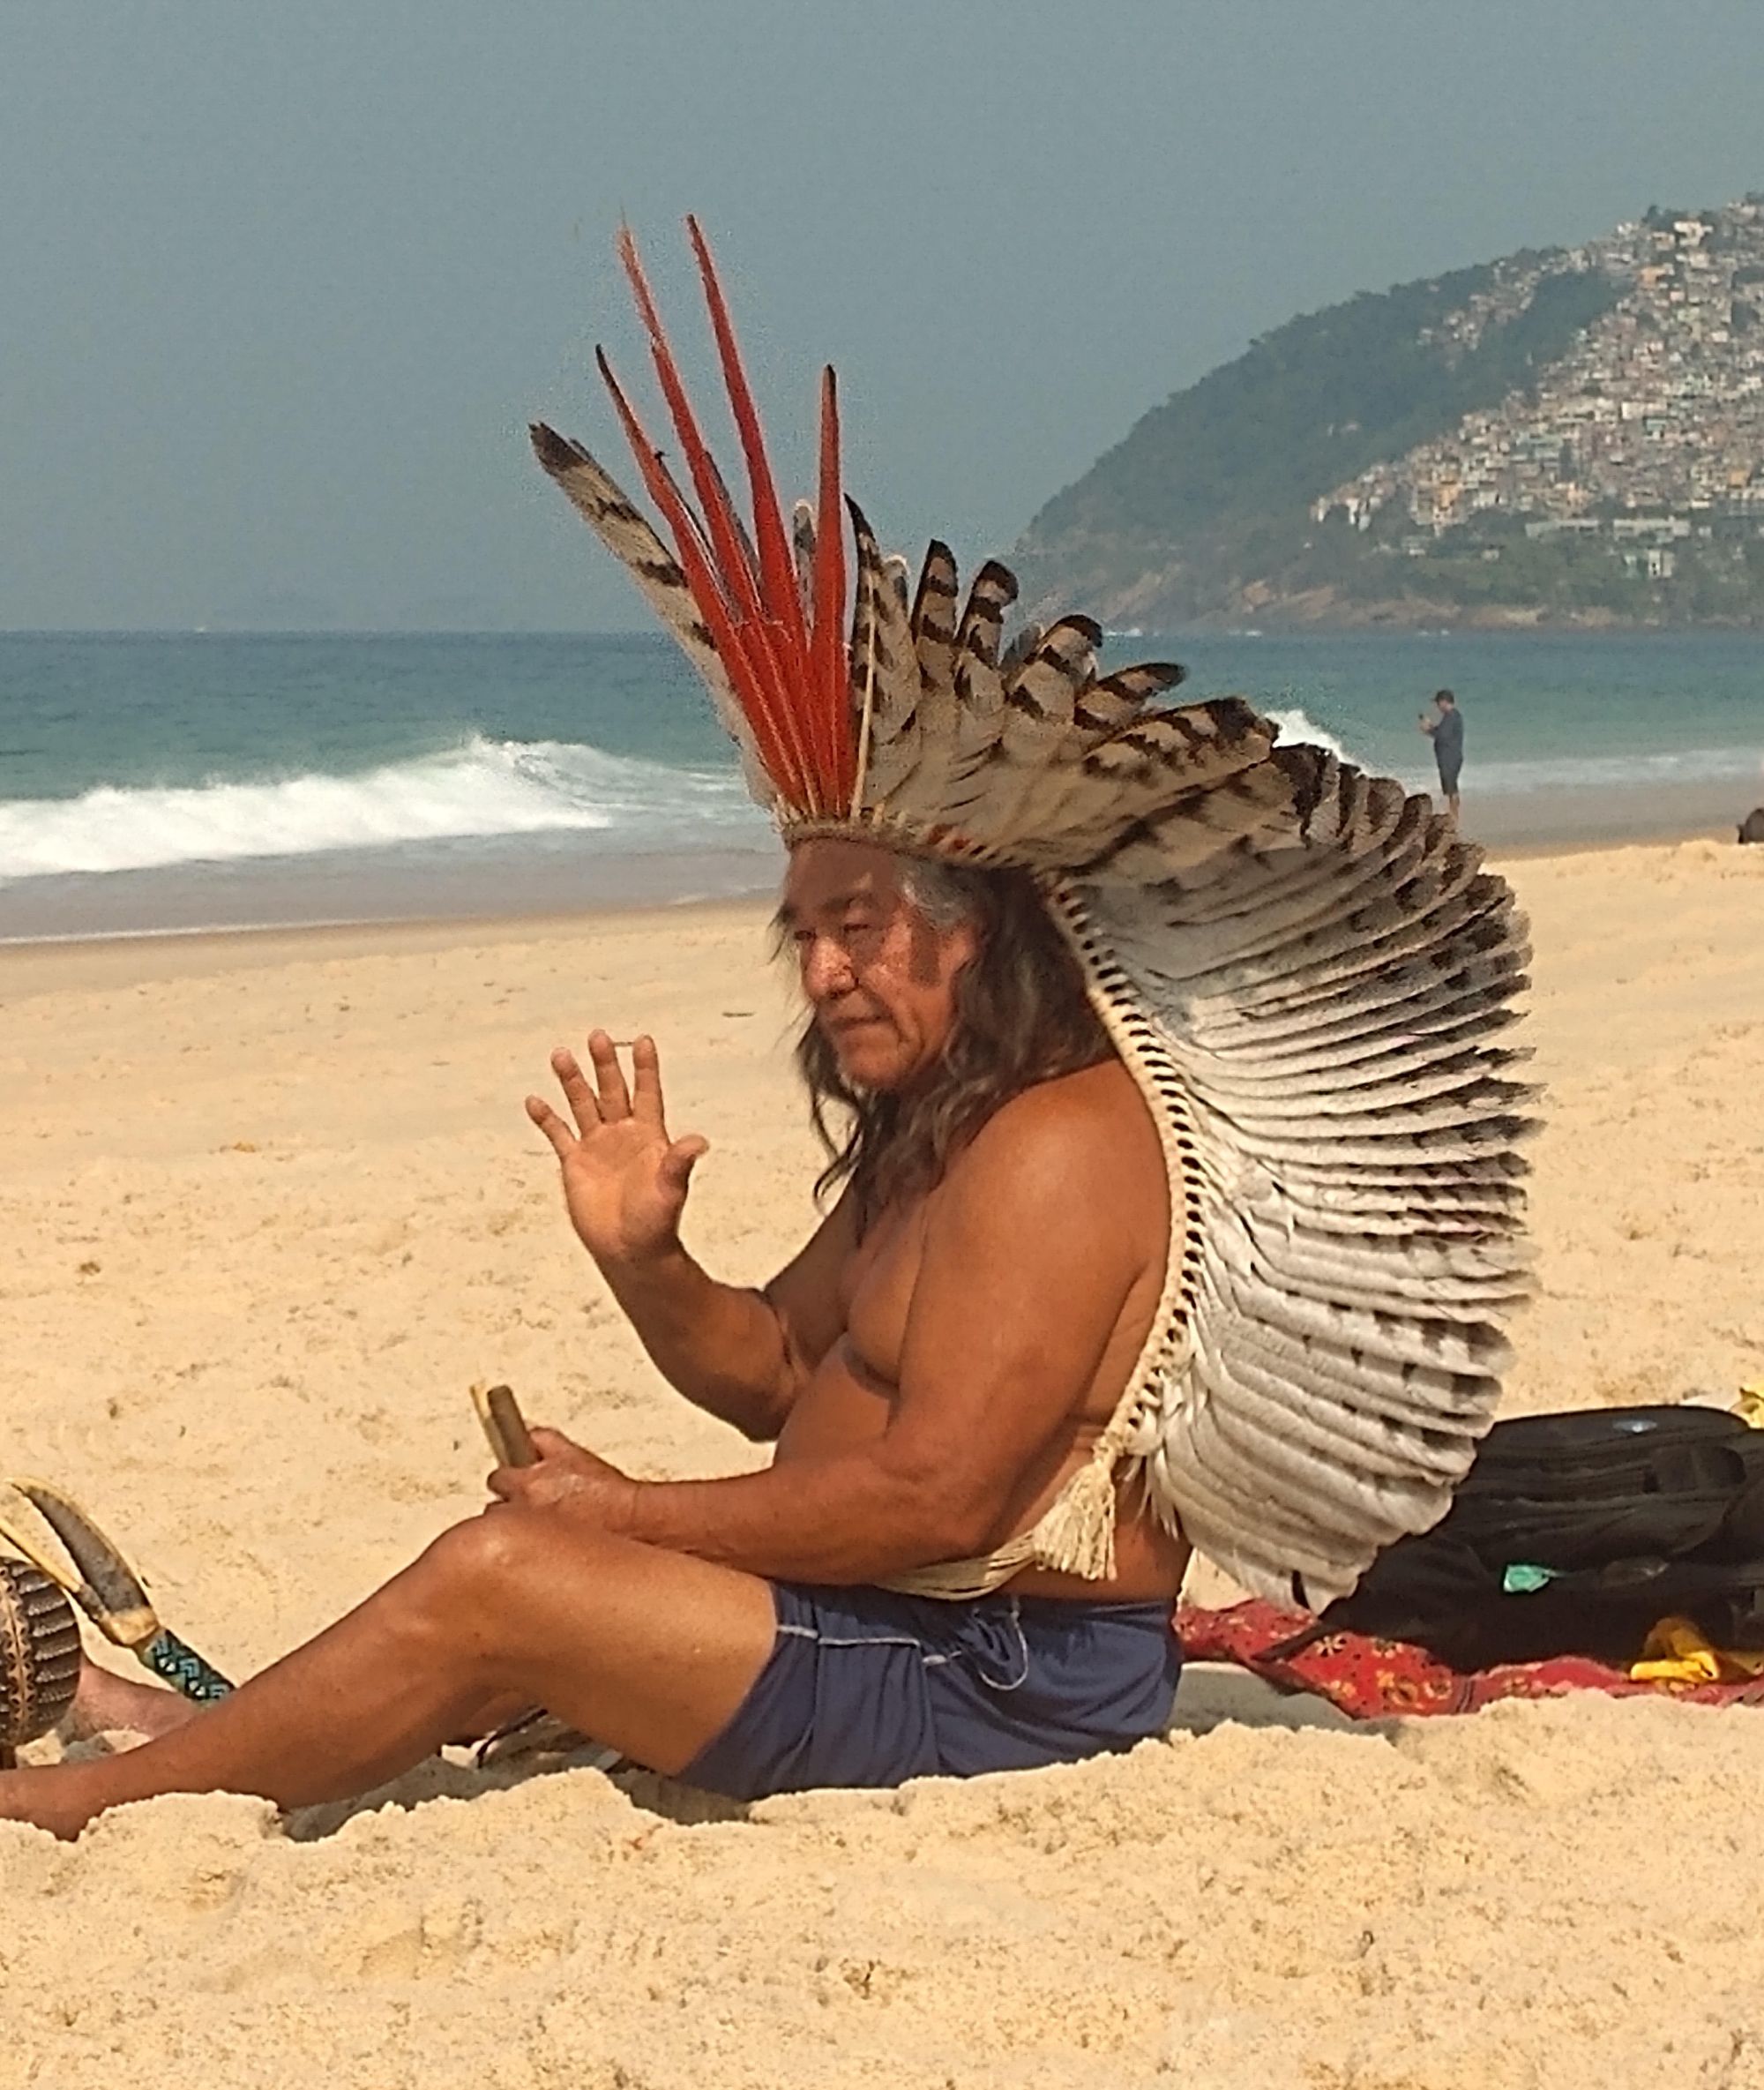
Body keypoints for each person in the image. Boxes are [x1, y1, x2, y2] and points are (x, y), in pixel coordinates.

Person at [0, 226, 1531, 1839]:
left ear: (975, 927)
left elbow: (939, 1492)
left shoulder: (1064, 1146)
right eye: (801, 932)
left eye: (857, 926)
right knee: (525, 1581)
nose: (821, 971)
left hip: (1005, 1674)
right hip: (898, 1626)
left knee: (507, 1573)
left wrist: (630, 1513)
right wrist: (644, 1256)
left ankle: (72, 1805)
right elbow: (780, 1372)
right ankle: (167, 1739)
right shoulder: (946, 1125)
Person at [1419, 688, 1464, 819]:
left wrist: (1428, 729)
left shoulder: (1451, 716)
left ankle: (1453, 817)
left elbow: (1441, 735)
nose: (1438, 707)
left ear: (1444, 702)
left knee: (1451, 790)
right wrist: (1430, 728)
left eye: (1438, 703)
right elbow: (1442, 732)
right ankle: (1453, 816)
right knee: (1451, 789)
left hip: (1450, 758)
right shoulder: (1452, 716)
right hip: (1450, 757)